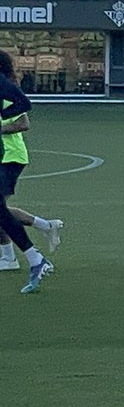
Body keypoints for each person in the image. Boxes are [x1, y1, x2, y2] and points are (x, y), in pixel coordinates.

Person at [0, 51, 64, 273]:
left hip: (10, 156)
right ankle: (44, 228)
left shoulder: (7, 89)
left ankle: (15, 256)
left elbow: (24, 122)